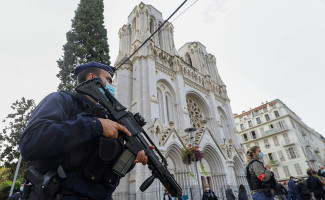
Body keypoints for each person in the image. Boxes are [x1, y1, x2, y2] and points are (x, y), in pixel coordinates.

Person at [19, 62, 152, 200]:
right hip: (61, 193)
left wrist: (130, 159)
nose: (113, 86)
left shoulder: (108, 118)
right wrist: (96, 125)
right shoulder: (62, 100)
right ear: (92, 77)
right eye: (108, 79)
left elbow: (106, 169)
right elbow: (30, 142)